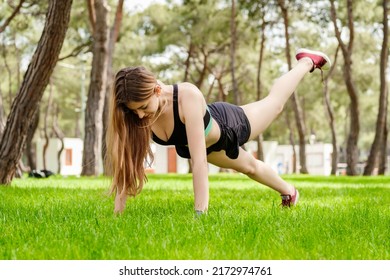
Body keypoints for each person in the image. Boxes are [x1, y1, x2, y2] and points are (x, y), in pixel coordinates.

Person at [105, 48, 331, 214]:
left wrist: (200, 213)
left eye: (144, 108)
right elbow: (127, 162)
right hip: (206, 145)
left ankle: (307, 62)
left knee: (274, 104)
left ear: (156, 90)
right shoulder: (134, 111)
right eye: (136, 111)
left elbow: (200, 162)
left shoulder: (187, 97)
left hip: (229, 126)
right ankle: (290, 193)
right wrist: (117, 214)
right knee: (250, 167)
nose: (141, 116)